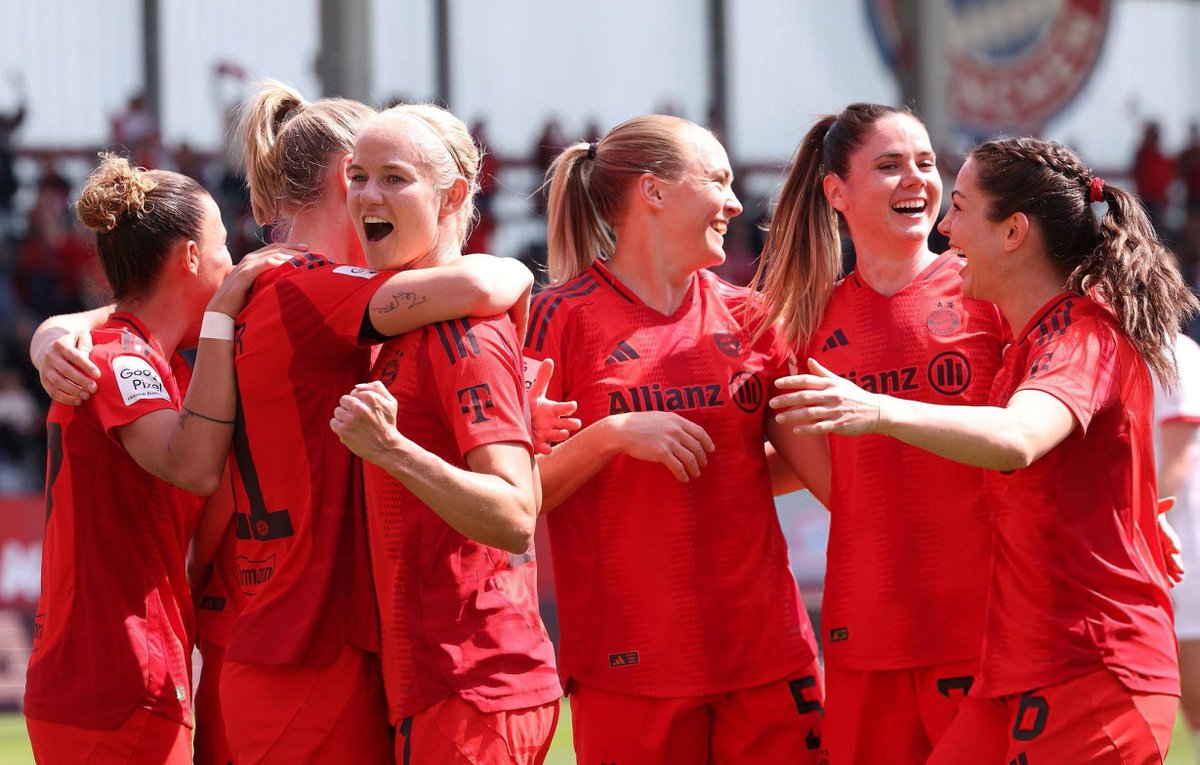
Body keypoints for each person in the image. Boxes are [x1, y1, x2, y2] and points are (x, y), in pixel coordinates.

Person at [31, 81, 536, 765]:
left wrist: (55, 329)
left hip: (257, 632)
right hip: (303, 648)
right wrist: (519, 275)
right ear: (347, 176)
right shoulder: (310, 286)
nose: (375, 197)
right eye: (369, 175)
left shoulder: (259, 291)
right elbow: (478, 287)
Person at [773, 136, 1195, 763]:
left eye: (962, 207)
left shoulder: (1082, 332)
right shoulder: (1026, 342)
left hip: (1092, 665)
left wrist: (877, 409)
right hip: (1018, 664)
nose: (945, 226)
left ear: (1014, 232)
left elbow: (1018, 439)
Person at [523, 114, 825, 764]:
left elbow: (820, 471)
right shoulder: (554, 319)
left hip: (769, 655)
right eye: (717, 179)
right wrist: (613, 434)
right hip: (629, 665)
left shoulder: (753, 315)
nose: (736, 203)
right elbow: (514, 499)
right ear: (654, 191)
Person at [750, 102, 1007, 764]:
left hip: (985, 627)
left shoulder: (991, 293)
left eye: (926, 162)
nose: (916, 179)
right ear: (836, 192)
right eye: (890, 166)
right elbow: (825, 468)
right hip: (865, 632)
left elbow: (1038, 435)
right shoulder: (803, 325)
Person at [23, 155, 287, 763]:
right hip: (113, 680)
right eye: (223, 246)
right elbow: (192, 467)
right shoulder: (120, 358)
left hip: (119, 675)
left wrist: (49, 332)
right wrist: (225, 312)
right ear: (191, 257)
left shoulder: (149, 362)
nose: (233, 265)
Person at [331, 103, 561, 765]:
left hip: (475, 685)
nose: (368, 195)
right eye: (357, 176)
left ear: (453, 196)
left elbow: (513, 516)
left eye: (394, 177)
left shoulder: (465, 331)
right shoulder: (406, 319)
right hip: (438, 682)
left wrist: (391, 450)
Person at [1154, 332, 1200, 760]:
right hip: (1156, 542)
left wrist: (1140, 525)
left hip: (1185, 544)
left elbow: (1179, 459)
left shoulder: (1176, 353)